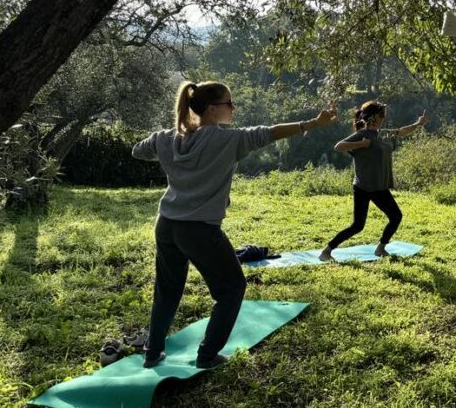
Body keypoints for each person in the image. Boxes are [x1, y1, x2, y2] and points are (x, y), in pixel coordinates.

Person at [133, 80, 337, 369]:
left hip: (166, 224)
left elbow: (137, 151)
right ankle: (206, 356)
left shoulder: (167, 137)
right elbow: (270, 133)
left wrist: (169, 138)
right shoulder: (228, 140)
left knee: (167, 290)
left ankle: (152, 354)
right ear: (214, 109)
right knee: (232, 288)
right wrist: (314, 123)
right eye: (230, 104)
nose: (233, 108)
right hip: (199, 229)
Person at [319, 100, 428, 261]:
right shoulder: (363, 134)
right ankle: (326, 251)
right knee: (358, 226)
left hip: (379, 187)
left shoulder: (383, 134)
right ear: (373, 117)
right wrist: (361, 144)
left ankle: (380, 248)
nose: (384, 117)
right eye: (382, 114)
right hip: (363, 187)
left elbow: (403, 131)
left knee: (396, 216)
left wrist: (418, 124)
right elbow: (339, 146)